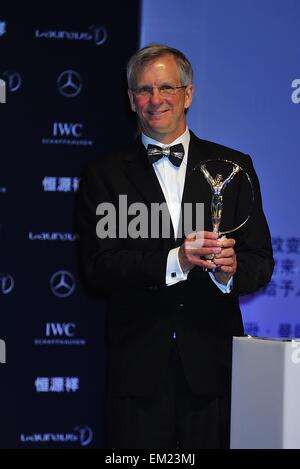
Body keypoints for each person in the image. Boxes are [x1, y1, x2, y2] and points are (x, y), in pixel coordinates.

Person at [77, 44, 274, 449]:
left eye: (166, 87)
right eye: (144, 90)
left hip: (211, 369)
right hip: (137, 373)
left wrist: (228, 273)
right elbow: (98, 268)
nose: (155, 100)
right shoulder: (104, 175)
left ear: (188, 93)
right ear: (131, 100)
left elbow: (260, 262)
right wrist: (176, 260)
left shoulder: (233, 168)